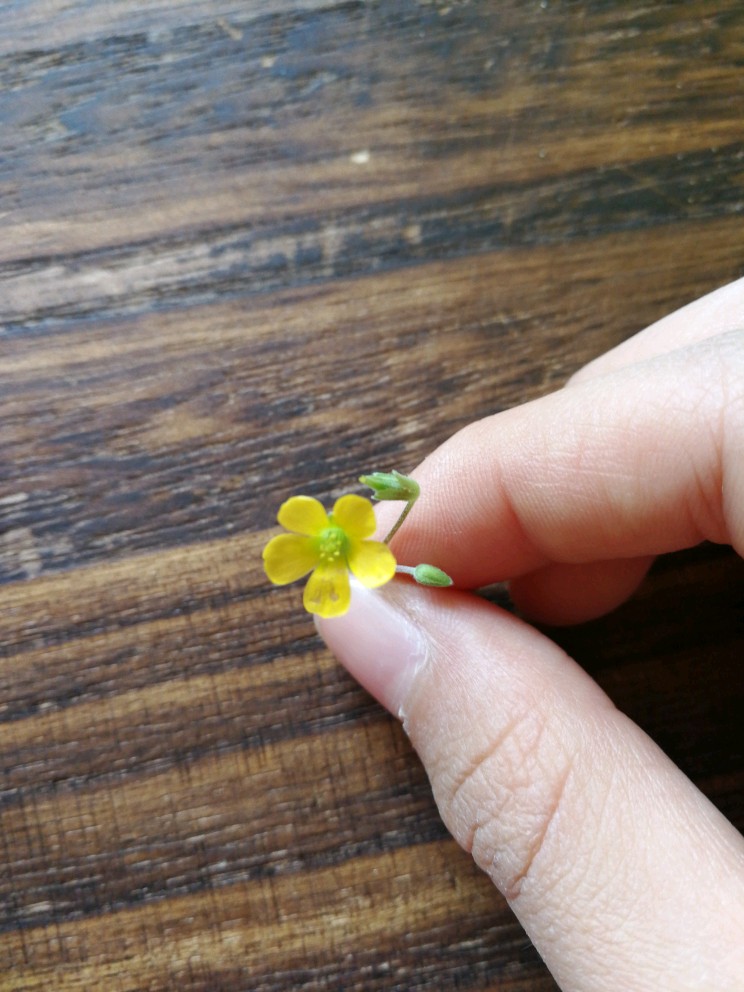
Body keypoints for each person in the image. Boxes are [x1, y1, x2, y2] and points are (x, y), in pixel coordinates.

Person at [316, 278, 744, 992]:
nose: (328, 545)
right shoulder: (352, 545)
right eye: (326, 544)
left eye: (332, 541)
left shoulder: (370, 543)